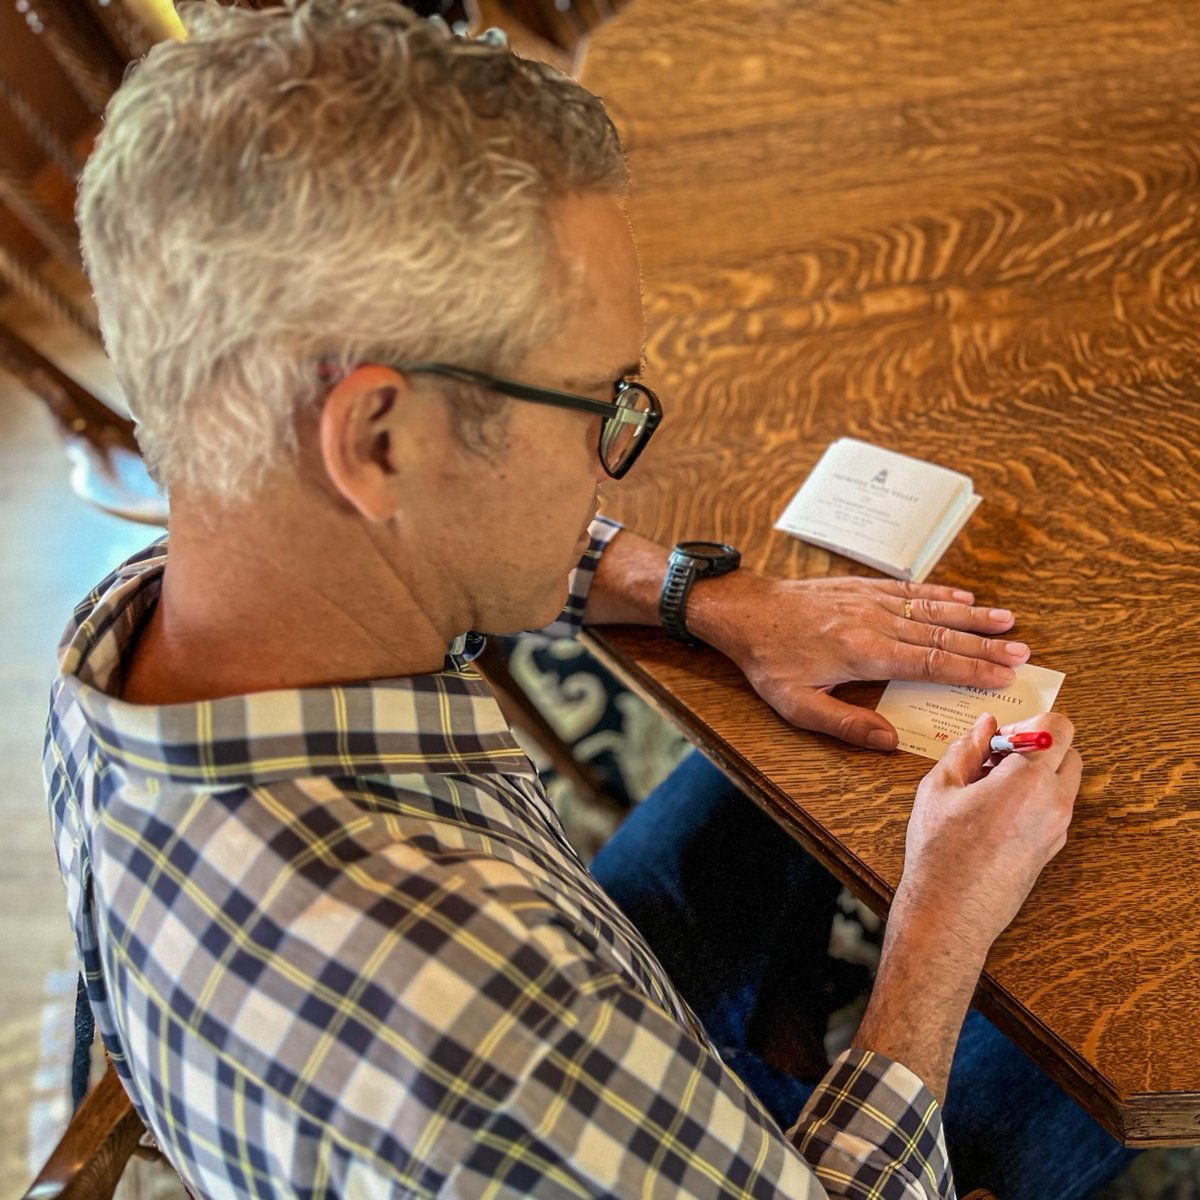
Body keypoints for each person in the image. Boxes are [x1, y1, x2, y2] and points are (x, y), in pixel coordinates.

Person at [44, 2, 1132, 1196]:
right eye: (600, 400)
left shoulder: (141, 628)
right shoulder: (481, 1039)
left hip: (583, 1049)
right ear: (381, 437)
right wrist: (934, 929)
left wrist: (697, 598)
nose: (624, 459)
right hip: (597, 1110)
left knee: (785, 777)